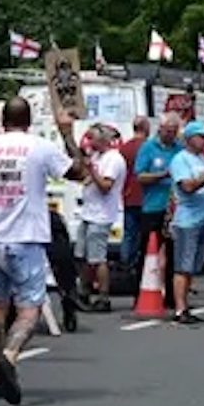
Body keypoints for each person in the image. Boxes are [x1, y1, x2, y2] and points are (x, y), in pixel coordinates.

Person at [0, 96, 87, 406]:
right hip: (25, 238)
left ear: (2, 120)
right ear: (28, 120)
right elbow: (78, 172)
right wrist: (67, 133)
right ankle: (8, 356)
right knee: (29, 309)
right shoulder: (38, 147)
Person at [167, 122, 204, 324]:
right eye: (200, 136)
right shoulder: (181, 160)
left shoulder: (201, 159)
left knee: (192, 266)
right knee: (183, 265)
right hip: (188, 220)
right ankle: (180, 309)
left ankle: (185, 304)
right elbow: (188, 186)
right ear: (189, 138)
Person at [133, 113, 183, 309]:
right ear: (160, 129)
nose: (171, 135)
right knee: (146, 252)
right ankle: (140, 293)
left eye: (174, 132)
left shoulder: (179, 149)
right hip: (152, 207)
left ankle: (171, 296)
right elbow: (140, 176)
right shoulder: (148, 148)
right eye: (167, 131)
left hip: (174, 208)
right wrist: (162, 175)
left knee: (173, 254)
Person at [77, 123, 124, 309]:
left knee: (97, 258)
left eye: (93, 138)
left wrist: (93, 171)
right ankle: (84, 290)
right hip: (88, 212)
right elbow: (85, 179)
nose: (90, 141)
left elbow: (105, 186)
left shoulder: (113, 159)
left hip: (101, 215)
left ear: (103, 140)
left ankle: (103, 296)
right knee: (81, 255)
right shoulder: (97, 156)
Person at [118, 117, 151, 272]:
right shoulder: (149, 147)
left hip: (128, 195)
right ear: (145, 128)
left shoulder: (124, 148)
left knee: (129, 233)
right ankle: (139, 265)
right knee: (143, 234)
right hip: (147, 196)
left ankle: (125, 264)